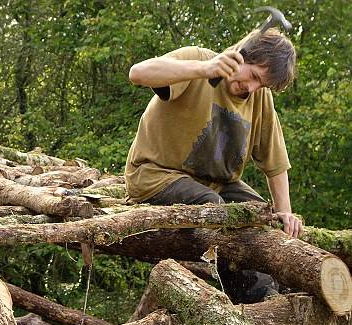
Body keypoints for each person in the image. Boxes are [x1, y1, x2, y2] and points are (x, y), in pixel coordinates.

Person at [125, 29, 303, 302]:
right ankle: (250, 302)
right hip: (156, 177)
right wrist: (203, 69)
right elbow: (138, 73)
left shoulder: (259, 99)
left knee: (261, 217)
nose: (253, 88)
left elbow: (275, 162)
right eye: (253, 76)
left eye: (262, 85)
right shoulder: (199, 61)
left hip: (218, 184)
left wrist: (285, 214)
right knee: (217, 211)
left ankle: (272, 299)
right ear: (242, 54)